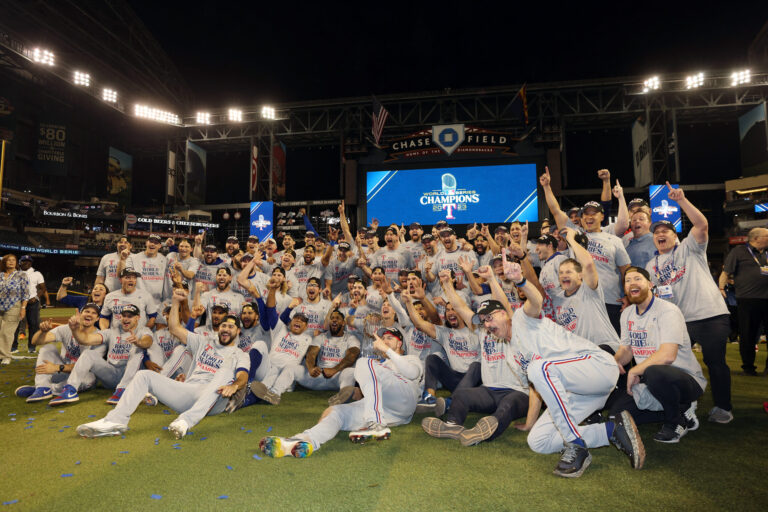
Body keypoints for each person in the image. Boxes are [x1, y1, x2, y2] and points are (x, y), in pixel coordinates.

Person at [484, 258, 643, 478]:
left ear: (505, 314)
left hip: (596, 367)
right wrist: (530, 423)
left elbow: (536, 300)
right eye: (482, 322)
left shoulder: (522, 317)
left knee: (538, 368)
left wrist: (520, 281)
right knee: (538, 441)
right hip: (577, 391)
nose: (487, 325)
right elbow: (536, 389)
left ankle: (576, 445)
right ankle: (610, 430)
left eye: (489, 318)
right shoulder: (510, 356)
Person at [75, 288, 250, 439]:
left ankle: (185, 421)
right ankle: (115, 421)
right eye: (224, 325)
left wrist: (234, 386)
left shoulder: (240, 354)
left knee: (226, 370)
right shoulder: (204, 342)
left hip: (214, 400)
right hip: (188, 392)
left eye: (231, 327)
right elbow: (174, 328)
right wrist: (175, 302)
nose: (226, 329)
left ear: (238, 331)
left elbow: (243, 375)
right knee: (144, 375)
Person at [259, 327, 423, 458]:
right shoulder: (379, 365)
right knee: (336, 412)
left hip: (404, 398)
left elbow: (413, 373)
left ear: (400, 343)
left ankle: (375, 423)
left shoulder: (410, 359)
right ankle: (304, 440)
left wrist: (387, 351)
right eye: (382, 338)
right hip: (387, 411)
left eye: (389, 338)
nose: (384, 341)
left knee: (364, 362)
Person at [645, 183, 733, 424]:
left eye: (666, 231)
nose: (660, 234)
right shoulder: (651, 266)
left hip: (710, 315)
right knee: (672, 362)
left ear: (676, 236)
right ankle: (682, 404)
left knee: (715, 362)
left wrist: (682, 201)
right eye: (656, 232)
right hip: (680, 321)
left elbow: (702, 225)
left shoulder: (690, 248)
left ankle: (723, 407)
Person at [609, 267, 705, 443]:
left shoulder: (668, 310)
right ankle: (681, 409)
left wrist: (634, 370)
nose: (632, 283)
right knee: (617, 414)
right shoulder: (627, 314)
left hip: (685, 379)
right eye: (628, 280)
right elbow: (626, 351)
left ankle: (675, 423)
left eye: (637, 278)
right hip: (652, 380)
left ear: (650, 284)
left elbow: (668, 355)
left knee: (654, 371)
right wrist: (611, 364)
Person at [541, 167, 631, 333]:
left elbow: (626, 271)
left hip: (611, 301)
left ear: (602, 217)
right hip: (583, 300)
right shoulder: (575, 235)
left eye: (594, 214)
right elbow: (555, 210)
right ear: (581, 219)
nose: (589, 217)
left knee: (614, 350)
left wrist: (628, 296)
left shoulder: (613, 238)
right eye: (585, 215)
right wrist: (547, 187)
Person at [50, 304, 154, 405]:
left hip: (131, 378)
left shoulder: (143, 330)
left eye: (130, 316)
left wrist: (138, 342)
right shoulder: (111, 332)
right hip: (111, 375)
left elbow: (148, 342)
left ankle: (122, 390)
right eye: (124, 316)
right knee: (88, 353)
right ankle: (70, 390)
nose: (126, 319)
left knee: (138, 350)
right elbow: (85, 340)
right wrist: (75, 330)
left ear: (137, 318)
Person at [553, 227, 620, 353]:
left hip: (607, 349)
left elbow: (588, 264)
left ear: (580, 275)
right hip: (581, 355)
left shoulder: (588, 289)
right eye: (561, 273)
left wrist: (571, 240)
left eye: (568, 272)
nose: (564, 275)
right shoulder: (558, 300)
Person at [14, 304, 100, 401]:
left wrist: (57, 367)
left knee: (90, 379)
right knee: (47, 348)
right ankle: (42, 388)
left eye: (93, 313)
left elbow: (87, 367)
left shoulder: (99, 336)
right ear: (80, 314)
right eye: (87, 311)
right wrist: (42, 332)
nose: (89, 314)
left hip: (81, 375)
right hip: (62, 371)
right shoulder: (66, 328)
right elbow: (35, 341)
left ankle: (48, 388)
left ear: (97, 319)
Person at [719, 227, 768, 375]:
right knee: (748, 334)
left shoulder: (766, 252)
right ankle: (748, 367)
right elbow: (726, 272)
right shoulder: (739, 251)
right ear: (756, 238)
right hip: (747, 299)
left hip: (767, 299)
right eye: (767, 235)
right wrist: (721, 288)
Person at [14, 255, 49, 354]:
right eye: (24, 261)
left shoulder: (37, 274)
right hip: (17, 302)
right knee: (15, 324)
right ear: (20, 262)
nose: (26, 263)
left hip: (32, 302)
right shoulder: (15, 273)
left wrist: (36, 297)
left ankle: (32, 347)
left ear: (31, 263)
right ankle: (13, 347)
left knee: (33, 325)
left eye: (29, 261)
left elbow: (43, 288)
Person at [120, 234, 168, 306]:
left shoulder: (165, 260)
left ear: (159, 246)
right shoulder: (133, 258)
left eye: (156, 243)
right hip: (138, 300)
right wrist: (122, 260)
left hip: (158, 303)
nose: (152, 244)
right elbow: (124, 275)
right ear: (146, 243)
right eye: (151, 241)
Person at [0, 254, 28, 364]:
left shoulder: (21, 275)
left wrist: (23, 307)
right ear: (4, 263)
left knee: (7, 332)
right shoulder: (1, 275)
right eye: (8, 260)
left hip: (14, 306)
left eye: (13, 260)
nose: (11, 262)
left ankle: (6, 356)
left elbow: (25, 293)